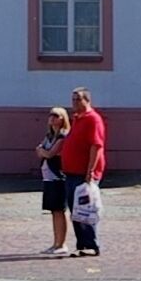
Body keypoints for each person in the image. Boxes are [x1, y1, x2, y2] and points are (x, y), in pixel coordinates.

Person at [59, 87, 107, 256]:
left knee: (86, 209)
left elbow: (96, 146)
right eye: (73, 99)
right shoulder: (77, 119)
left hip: (83, 174)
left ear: (87, 100)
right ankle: (82, 245)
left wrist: (90, 171)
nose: (74, 103)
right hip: (71, 172)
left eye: (78, 99)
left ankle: (92, 245)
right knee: (76, 211)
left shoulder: (93, 119)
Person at [36, 106, 75, 257]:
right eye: (50, 115)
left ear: (62, 118)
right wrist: (42, 152)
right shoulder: (49, 135)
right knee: (53, 211)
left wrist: (43, 152)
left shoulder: (63, 136)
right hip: (48, 177)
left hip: (58, 177)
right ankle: (55, 243)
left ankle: (62, 243)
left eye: (56, 115)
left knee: (59, 210)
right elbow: (39, 150)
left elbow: (50, 153)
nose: (52, 118)